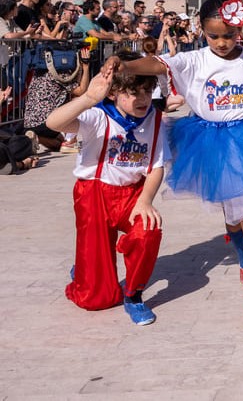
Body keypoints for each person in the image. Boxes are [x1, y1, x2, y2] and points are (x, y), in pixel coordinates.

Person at [102, 0, 243, 319]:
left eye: (230, 35)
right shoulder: (193, 60)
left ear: (240, 30)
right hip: (211, 143)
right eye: (214, 36)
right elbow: (158, 65)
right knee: (232, 213)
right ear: (201, 30)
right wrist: (124, 64)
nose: (223, 43)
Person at [46, 52, 166, 324]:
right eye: (133, 93)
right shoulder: (98, 118)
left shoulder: (155, 120)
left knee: (148, 231)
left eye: (147, 92)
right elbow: (54, 123)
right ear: (114, 94)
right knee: (97, 298)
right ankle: (86, 270)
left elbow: (156, 166)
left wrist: (145, 201)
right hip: (94, 193)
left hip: (132, 194)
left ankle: (134, 295)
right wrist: (88, 98)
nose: (142, 99)